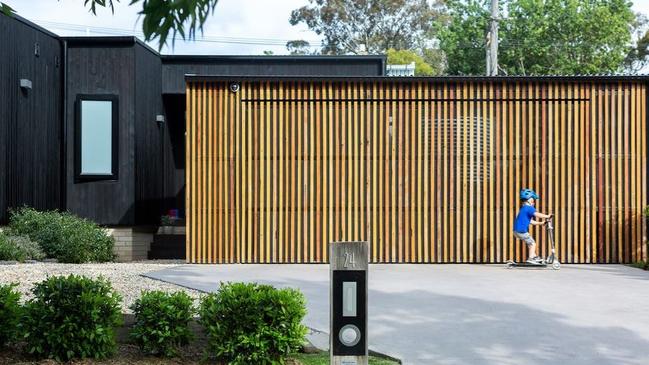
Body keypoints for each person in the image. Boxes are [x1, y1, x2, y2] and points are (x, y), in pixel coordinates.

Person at [513, 188, 552, 264]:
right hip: (521, 231)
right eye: (533, 200)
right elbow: (537, 214)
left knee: (530, 243)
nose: (534, 202)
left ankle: (534, 256)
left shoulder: (523, 209)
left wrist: (541, 223)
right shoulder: (529, 208)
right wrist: (547, 216)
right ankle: (531, 258)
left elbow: (530, 221)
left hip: (517, 231)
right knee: (532, 243)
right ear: (530, 200)